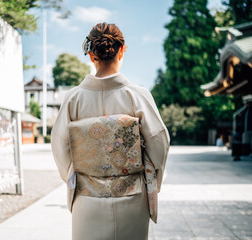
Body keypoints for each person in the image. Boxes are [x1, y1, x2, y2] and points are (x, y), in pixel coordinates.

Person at [51, 22, 170, 240]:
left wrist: (80, 175)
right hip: (132, 196)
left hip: (87, 197)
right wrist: (151, 180)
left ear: (91, 55)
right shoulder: (138, 95)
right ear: (122, 50)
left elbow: (59, 146)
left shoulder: (73, 98)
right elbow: (159, 142)